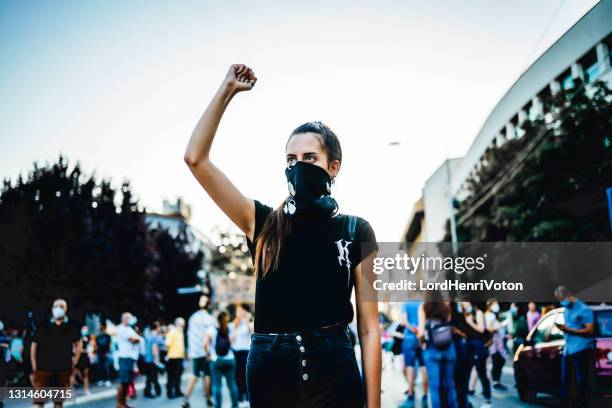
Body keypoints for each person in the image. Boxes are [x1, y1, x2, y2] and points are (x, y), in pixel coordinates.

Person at [183, 63, 381, 408]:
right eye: (290, 159)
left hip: (335, 375)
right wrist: (226, 90)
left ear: (333, 167)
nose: (297, 167)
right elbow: (195, 159)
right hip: (271, 379)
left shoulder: (356, 229)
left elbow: (369, 329)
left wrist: (374, 406)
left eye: (309, 157)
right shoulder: (262, 223)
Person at [31, 299, 81, 408]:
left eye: (61, 306)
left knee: (58, 402)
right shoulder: (43, 325)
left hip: (63, 369)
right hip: (43, 368)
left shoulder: (72, 326)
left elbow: (79, 344)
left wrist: (75, 361)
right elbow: (34, 346)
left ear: (66, 309)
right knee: (39, 402)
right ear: (52, 308)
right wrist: (34, 367)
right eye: (56, 306)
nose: (58, 308)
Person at [554, 286, 595, 408]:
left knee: (581, 380)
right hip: (568, 349)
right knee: (565, 380)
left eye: (561, 299)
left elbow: (589, 330)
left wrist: (569, 330)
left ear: (568, 296)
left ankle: (582, 404)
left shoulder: (584, 310)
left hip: (582, 348)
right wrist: (563, 329)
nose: (561, 302)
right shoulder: (566, 309)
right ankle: (565, 403)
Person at [417, 291, 456, 408]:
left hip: (432, 349)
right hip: (449, 349)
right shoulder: (446, 307)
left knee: (434, 387)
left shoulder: (423, 307)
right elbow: (450, 327)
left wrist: (422, 343)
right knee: (449, 385)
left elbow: (420, 333)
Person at [183, 295, 216, 408]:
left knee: (195, 375)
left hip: (195, 352)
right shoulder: (211, 319)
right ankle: (208, 399)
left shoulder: (192, 318)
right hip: (206, 352)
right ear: (209, 305)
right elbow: (212, 336)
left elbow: (189, 335)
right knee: (207, 375)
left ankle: (186, 399)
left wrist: (189, 350)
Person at [206, 311, 239, 408]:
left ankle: (218, 406)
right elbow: (233, 340)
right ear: (226, 318)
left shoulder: (211, 329)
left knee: (217, 385)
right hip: (230, 359)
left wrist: (208, 355)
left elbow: (205, 344)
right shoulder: (231, 327)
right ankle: (235, 405)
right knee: (232, 384)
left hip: (216, 360)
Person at [462, 302, 491, 408]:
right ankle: (466, 400)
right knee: (466, 373)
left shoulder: (478, 312)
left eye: (465, 302)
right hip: (467, 347)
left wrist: (470, 323)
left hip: (478, 346)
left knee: (481, 371)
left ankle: (487, 399)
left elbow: (481, 329)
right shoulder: (463, 313)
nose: (464, 304)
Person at [401, 301, 428, 404]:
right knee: (423, 366)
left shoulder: (405, 304)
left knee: (410, 366)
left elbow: (403, 321)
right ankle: (425, 394)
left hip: (409, 338)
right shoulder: (423, 303)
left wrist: (413, 329)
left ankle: (411, 393)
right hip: (423, 338)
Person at [115, 312, 141, 408]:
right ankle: (119, 403)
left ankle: (124, 402)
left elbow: (137, 337)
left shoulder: (129, 329)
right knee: (123, 381)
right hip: (124, 357)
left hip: (130, 357)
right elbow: (134, 340)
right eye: (129, 318)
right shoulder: (121, 329)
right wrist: (137, 338)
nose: (131, 320)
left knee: (128, 382)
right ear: (124, 319)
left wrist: (137, 336)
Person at [229, 303, 252, 405]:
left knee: (245, 374)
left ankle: (247, 395)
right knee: (237, 375)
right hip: (235, 352)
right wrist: (236, 325)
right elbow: (231, 340)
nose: (240, 313)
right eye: (238, 311)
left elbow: (251, 330)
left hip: (246, 352)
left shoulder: (248, 323)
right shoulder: (232, 324)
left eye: (241, 311)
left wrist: (246, 320)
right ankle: (240, 394)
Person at [484, 300, 507, 392]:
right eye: (495, 304)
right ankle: (495, 382)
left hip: (498, 341)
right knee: (497, 360)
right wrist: (500, 326)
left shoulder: (494, 315)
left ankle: (496, 381)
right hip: (493, 341)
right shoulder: (489, 316)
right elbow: (489, 329)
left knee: (499, 360)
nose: (496, 305)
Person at [165, 317, 186, 399]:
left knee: (178, 375)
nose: (183, 325)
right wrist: (167, 354)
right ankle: (170, 392)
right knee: (171, 376)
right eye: (182, 324)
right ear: (178, 324)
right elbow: (167, 344)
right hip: (172, 357)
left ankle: (177, 391)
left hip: (179, 357)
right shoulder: (173, 331)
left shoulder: (180, 332)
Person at [143, 322, 163, 398]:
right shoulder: (154, 337)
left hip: (147, 359)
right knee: (153, 376)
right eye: (158, 327)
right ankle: (155, 391)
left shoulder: (148, 336)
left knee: (149, 377)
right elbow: (154, 349)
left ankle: (149, 391)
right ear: (156, 327)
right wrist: (156, 360)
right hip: (152, 360)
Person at [72, 325, 91, 395]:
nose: (85, 330)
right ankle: (71, 391)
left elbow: (87, 348)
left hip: (84, 357)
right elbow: (76, 349)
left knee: (85, 375)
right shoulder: (77, 338)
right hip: (77, 357)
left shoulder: (87, 337)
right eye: (83, 329)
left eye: (86, 329)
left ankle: (86, 390)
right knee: (73, 375)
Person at [95, 322, 112, 387]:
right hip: (99, 353)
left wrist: (107, 352)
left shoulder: (107, 336)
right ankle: (101, 379)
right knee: (100, 367)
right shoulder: (98, 336)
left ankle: (107, 380)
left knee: (106, 367)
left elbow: (109, 344)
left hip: (106, 353)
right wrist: (96, 351)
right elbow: (96, 345)